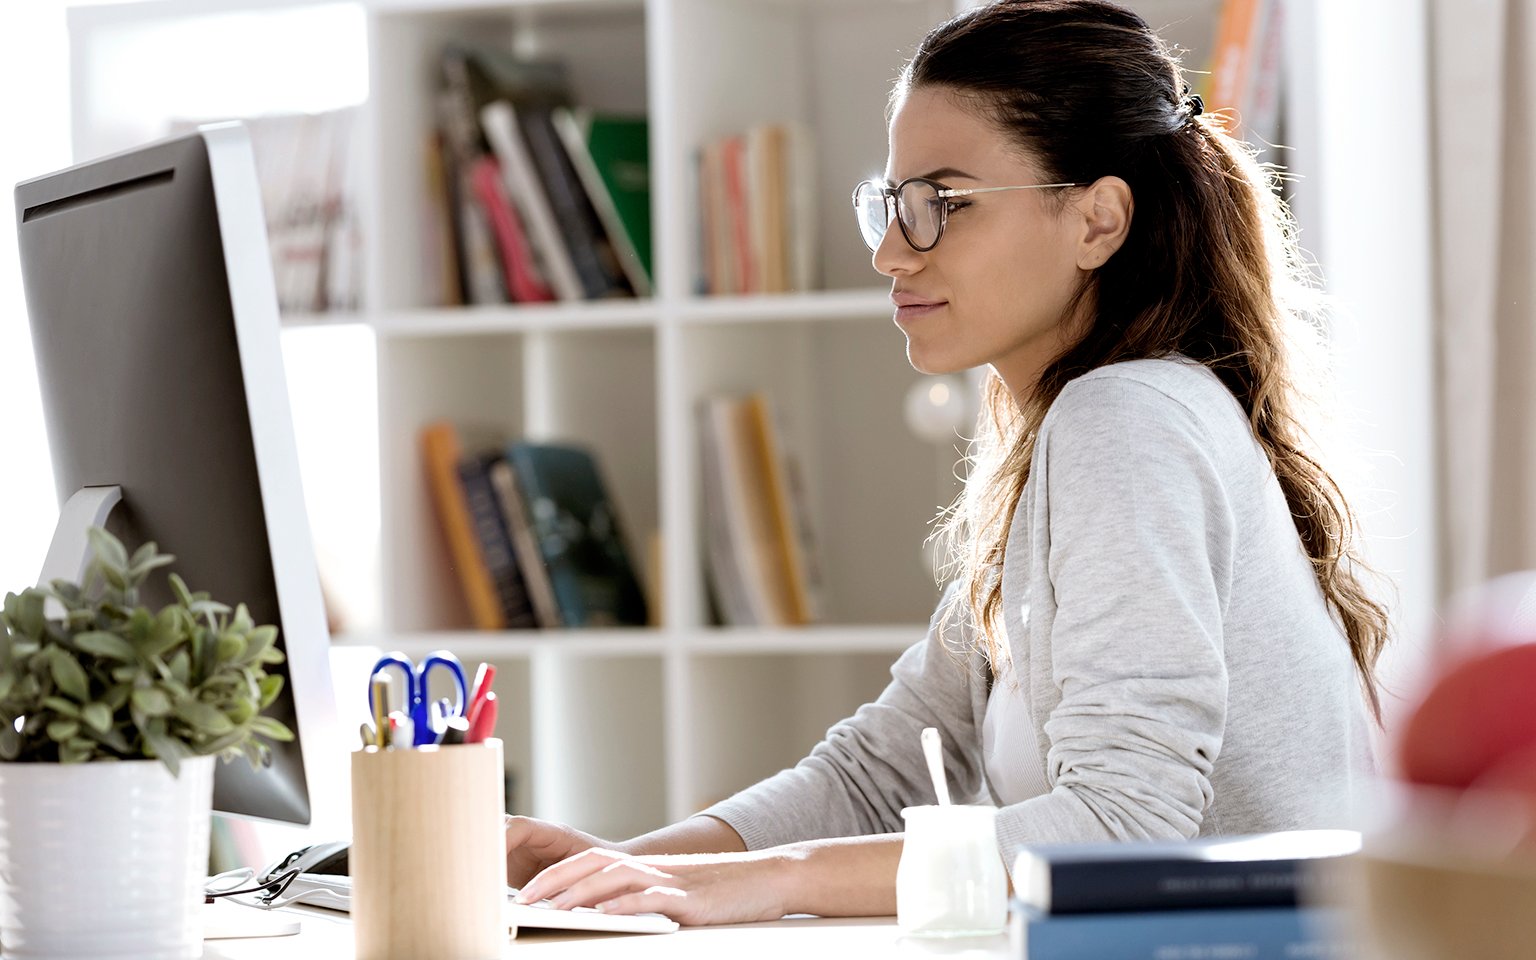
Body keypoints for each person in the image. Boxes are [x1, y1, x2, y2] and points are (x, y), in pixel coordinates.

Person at [503, 0, 1389, 925]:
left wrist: (774, 879)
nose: (892, 252)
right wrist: (615, 874)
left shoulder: (1126, 422)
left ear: (1098, 220)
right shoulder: (1075, 436)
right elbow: (876, 768)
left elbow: (1129, 823)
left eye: (942, 205)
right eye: (891, 205)